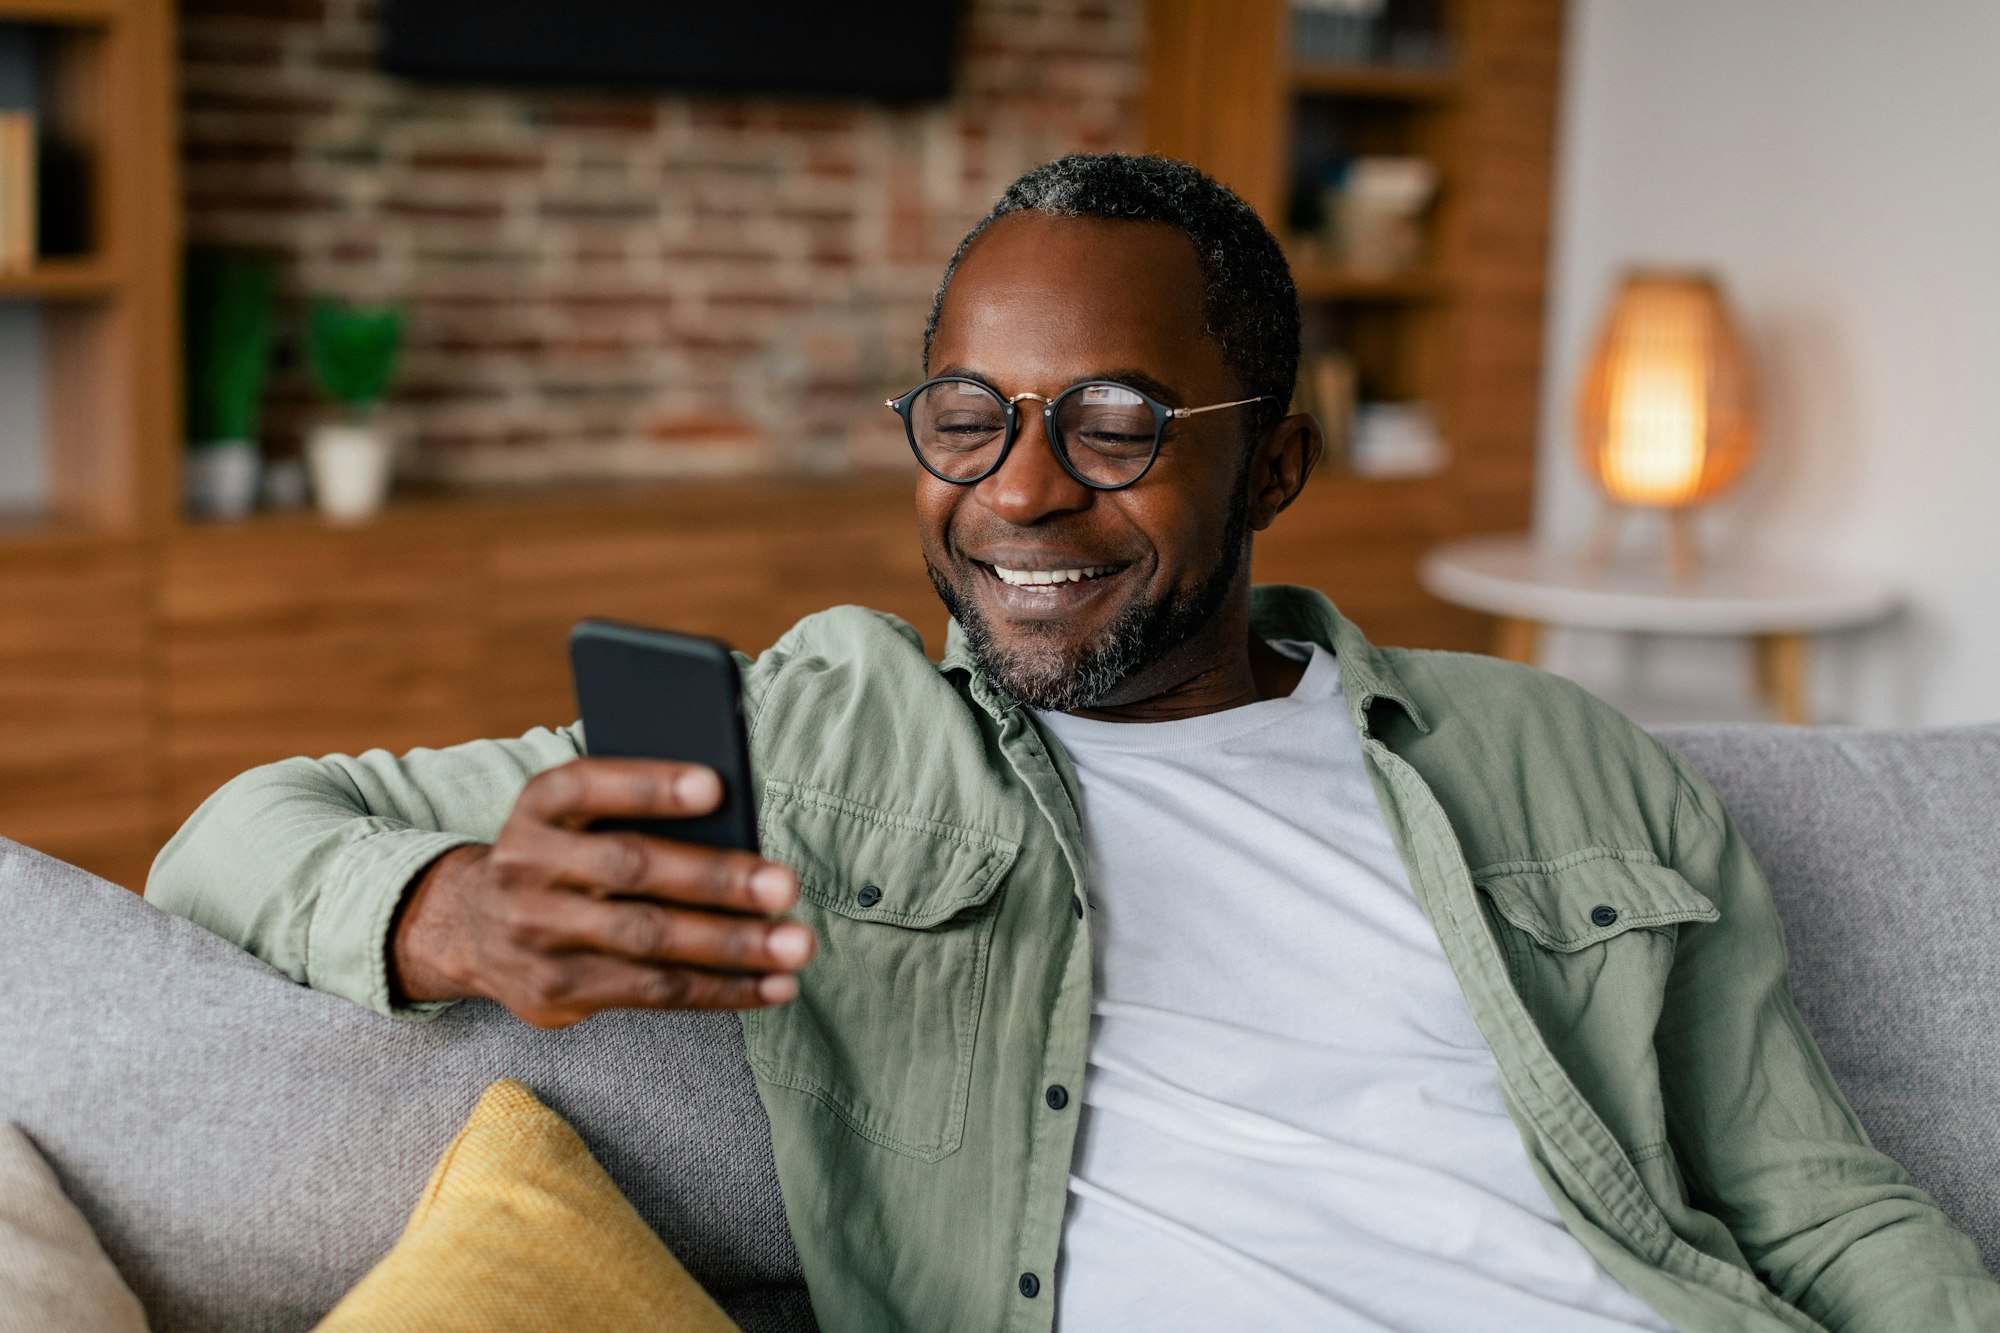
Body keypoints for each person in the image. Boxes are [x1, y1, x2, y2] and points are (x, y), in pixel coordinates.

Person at [148, 154, 1997, 1333]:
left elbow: (1816, 1202)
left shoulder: (1560, 754)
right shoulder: (833, 729)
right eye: (968, 415)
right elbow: (238, 827)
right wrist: (457, 913)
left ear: (1273, 463)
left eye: (1115, 422)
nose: (1019, 490)